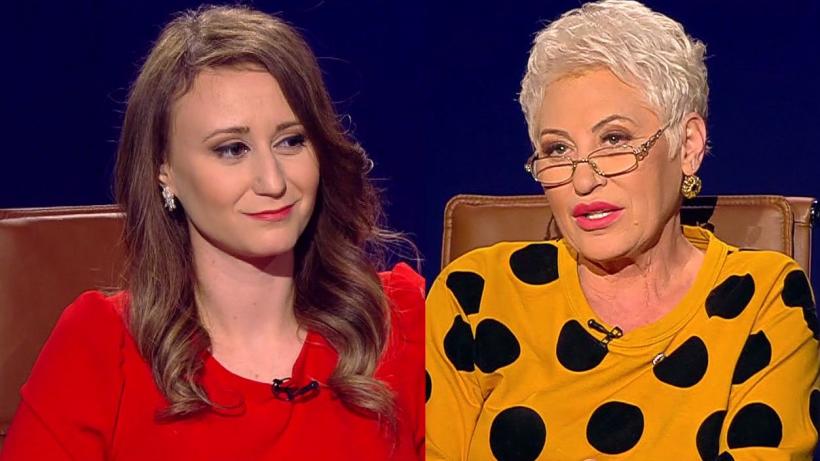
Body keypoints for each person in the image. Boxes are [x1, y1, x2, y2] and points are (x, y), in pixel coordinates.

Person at [1, 6, 423, 460]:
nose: (273, 181)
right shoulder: (101, 346)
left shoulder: (402, 321)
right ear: (164, 169)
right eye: (232, 149)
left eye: (291, 141)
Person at [425, 1, 819, 459]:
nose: (583, 180)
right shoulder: (475, 297)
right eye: (557, 149)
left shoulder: (763, 299)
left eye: (614, 140)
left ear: (688, 146)